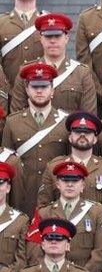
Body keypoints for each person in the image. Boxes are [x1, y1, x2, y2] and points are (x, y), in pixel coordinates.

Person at [0, 62, 68, 213]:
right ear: (26, 89)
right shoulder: (12, 122)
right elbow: (7, 164)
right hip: (22, 198)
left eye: (44, 86)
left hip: (55, 199)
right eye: (34, 86)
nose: (39, 91)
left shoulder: (65, 122)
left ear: (52, 90)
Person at [31, 159, 102, 272]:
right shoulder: (44, 213)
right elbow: (34, 253)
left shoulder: (96, 211)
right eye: (65, 180)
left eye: (75, 180)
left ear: (82, 185)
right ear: (58, 184)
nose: (70, 184)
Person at [10, 13, 98, 115]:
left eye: (57, 36)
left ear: (67, 37)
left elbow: (88, 116)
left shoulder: (81, 73)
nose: (52, 41)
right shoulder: (25, 72)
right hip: (34, 130)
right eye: (48, 36)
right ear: (40, 38)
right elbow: (16, 117)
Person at [38, 111, 102, 212]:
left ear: (95, 139)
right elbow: (43, 207)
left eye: (88, 132)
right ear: (70, 137)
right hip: (62, 225)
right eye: (77, 132)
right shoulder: (53, 167)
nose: (82, 135)